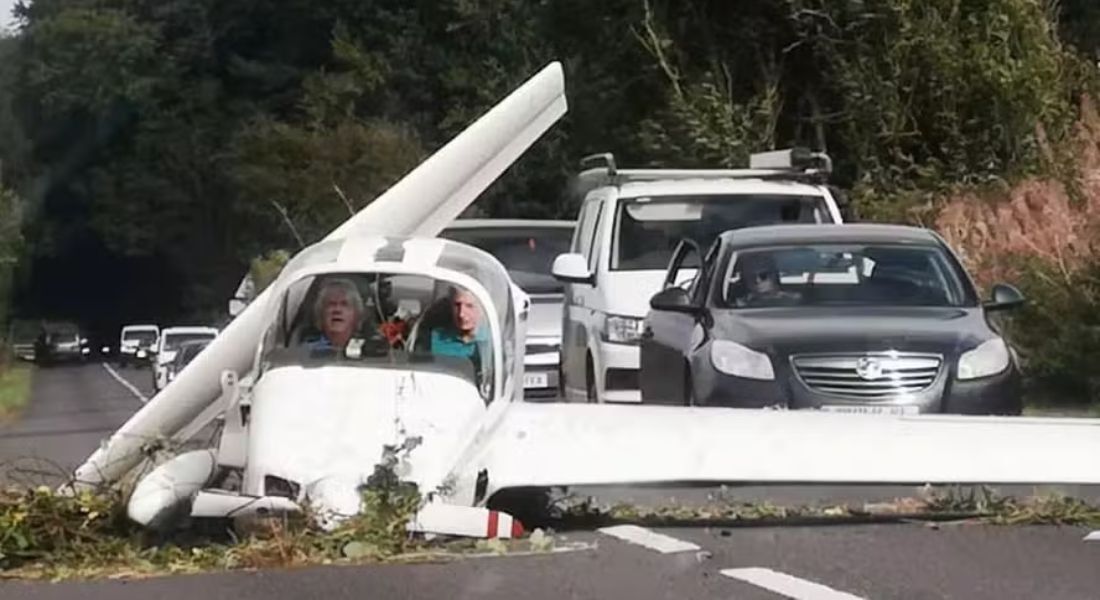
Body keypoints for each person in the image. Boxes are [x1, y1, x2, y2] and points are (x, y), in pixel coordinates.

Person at [430, 286, 489, 361]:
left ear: (482, 309)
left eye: (469, 306)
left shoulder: (493, 342)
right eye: (457, 305)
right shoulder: (434, 338)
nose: (461, 314)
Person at [305, 278, 365, 351]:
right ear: (320, 313)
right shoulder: (306, 352)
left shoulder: (369, 351)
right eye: (331, 304)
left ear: (356, 314)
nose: (337, 310)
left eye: (344, 304)